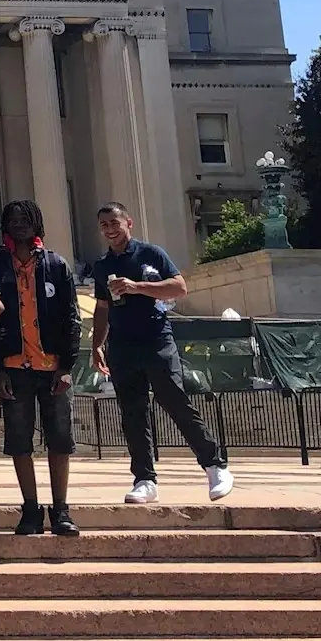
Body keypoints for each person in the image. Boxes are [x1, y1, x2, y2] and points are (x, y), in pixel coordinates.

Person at [91, 202, 235, 505]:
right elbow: (102, 307)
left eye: (115, 222)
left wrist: (137, 287)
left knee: (174, 400)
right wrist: (97, 345)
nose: (110, 229)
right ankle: (144, 479)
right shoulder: (102, 265)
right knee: (132, 412)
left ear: (128, 223)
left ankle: (214, 465)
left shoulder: (151, 253)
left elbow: (179, 288)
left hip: (156, 337)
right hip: (122, 343)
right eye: (104, 224)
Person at [0, 200, 81, 537]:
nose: (20, 223)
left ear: (36, 223)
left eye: (26, 218)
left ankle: (61, 509)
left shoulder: (56, 265)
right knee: (19, 441)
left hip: (52, 367)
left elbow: (71, 318)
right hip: (14, 368)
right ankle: (30, 508)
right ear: (5, 225)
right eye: (13, 219)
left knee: (60, 440)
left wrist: (66, 366)